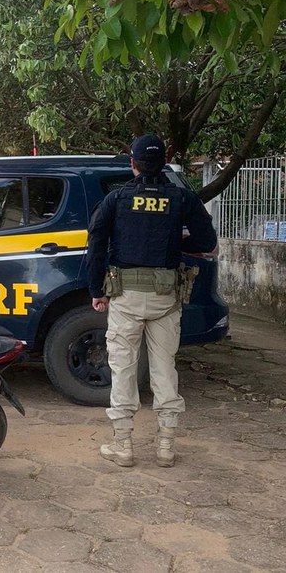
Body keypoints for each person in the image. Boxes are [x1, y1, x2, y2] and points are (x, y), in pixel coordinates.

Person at [86, 134, 217, 468]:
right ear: (164, 163)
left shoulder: (116, 199)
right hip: (166, 297)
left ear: (133, 164)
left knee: (123, 368)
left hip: (125, 297)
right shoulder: (182, 198)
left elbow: (96, 246)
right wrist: (177, 241)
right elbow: (206, 242)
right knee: (163, 369)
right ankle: (165, 447)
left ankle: (123, 445)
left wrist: (96, 292)